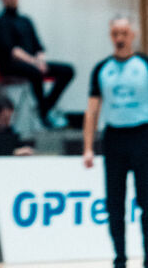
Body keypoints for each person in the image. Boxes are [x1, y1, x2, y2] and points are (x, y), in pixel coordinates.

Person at [84, 16, 148, 268]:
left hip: (142, 136)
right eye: (115, 33)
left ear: (133, 34)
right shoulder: (102, 69)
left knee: (146, 201)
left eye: (124, 32)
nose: (120, 38)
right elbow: (92, 111)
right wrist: (88, 147)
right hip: (114, 139)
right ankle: (119, 259)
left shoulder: (144, 64)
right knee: (115, 203)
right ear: (110, 35)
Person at [0, 0, 74, 127]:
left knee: (67, 70)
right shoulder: (0, 23)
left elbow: (38, 47)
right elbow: (13, 51)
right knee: (35, 72)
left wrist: (40, 60)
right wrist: (35, 62)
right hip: (12, 65)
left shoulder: (26, 20)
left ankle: (45, 107)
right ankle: (44, 112)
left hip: (33, 63)